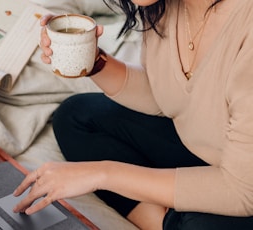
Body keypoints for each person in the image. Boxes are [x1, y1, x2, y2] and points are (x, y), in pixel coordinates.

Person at [13, 0, 253, 229]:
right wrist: (91, 60)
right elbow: (166, 96)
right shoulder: (162, 7)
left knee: (197, 225)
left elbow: (241, 190)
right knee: (75, 117)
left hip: (242, 183)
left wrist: (102, 173)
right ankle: (166, 221)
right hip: (214, 149)